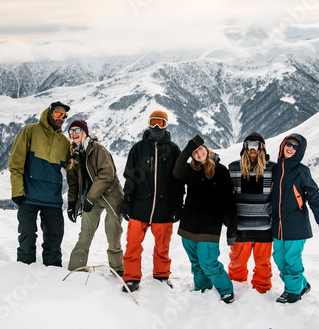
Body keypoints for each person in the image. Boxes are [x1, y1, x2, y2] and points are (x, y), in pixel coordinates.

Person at [121, 110, 184, 292]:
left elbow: (178, 181)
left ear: (166, 126)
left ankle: (161, 275)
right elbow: (130, 177)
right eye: (154, 122)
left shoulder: (173, 150)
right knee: (133, 243)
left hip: (164, 206)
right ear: (148, 124)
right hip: (140, 204)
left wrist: (178, 204)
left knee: (162, 244)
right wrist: (127, 200)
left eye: (161, 123)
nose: (157, 127)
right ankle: (132, 277)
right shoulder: (138, 148)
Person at [173, 135, 237, 304]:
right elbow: (176, 170)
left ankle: (226, 290)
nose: (198, 153)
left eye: (200, 149)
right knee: (196, 263)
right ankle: (203, 288)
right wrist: (188, 147)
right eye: (194, 151)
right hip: (188, 224)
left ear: (207, 150)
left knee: (208, 262)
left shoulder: (221, 170)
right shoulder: (189, 170)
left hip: (210, 226)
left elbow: (229, 199)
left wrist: (231, 225)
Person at [8, 101, 71, 266]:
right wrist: (17, 191)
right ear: (49, 112)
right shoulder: (31, 131)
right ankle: (23, 270)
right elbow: (16, 163)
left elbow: (73, 168)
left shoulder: (64, 142)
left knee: (55, 238)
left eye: (64, 115)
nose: (61, 118)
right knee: (27, 237)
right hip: (28, 196)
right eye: (58, 113)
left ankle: (53, 274)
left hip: (52, 198)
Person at [271, 133, 319, 303]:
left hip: (296, 225)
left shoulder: (302, 171)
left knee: (292, 260)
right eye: (288, 144)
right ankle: (302, 284)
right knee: (279, 260)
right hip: (277, 225)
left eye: (295, 147)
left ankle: (293, 292)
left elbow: (314, 197)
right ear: (283, 145)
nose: (291, 148)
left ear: (300, 150)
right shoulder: (275, 168)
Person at [65, 120, 125, 275]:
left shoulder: (97, 149)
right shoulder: (73, 155)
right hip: (90, 199)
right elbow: (72, 184)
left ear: (84, 131)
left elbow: (106, 174)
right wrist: (72, 204)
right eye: (71, 132)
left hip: (111, 196)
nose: (74, 134)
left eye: (77, 130)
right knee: (85, 233)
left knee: (113, 234)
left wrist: (91, 198)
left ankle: (118, 268)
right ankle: (76, 268)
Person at [228, 132, 275, 294]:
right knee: (237, 263)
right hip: (241, 226)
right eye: (249, 146)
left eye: (256, 145)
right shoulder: (234, 168)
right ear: (244, 148)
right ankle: (237, 288)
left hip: (264, 226)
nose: (252, 149)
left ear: (262, 148)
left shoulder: (272, 169)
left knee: (263, 264)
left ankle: (262, 291)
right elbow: (226, 194)